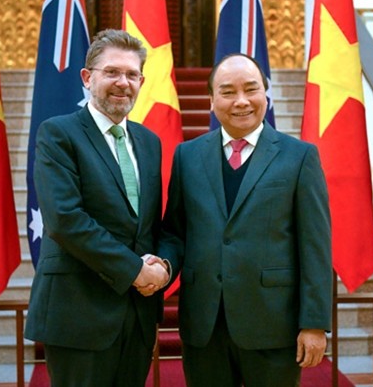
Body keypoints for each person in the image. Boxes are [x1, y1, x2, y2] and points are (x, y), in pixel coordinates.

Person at [152, 53, 332, 386]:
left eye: (251, 89)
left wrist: (314, 323)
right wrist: (162, 265)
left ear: (266, 94)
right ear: (211, 100)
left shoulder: (299, 156)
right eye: (228, 92)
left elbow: (315, 245)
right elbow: (175, 232)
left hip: (273, 324)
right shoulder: (187, 156)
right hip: (204, 326)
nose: (241, 101)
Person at [24, 29, 169, 387]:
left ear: (142, 81)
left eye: (132, 75)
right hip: (78, 314)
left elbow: (150, 225)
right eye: (112, 72)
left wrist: (163, 267)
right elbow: (65, 220)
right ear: (88, 78)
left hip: (136, 316)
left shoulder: (149, 142)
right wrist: (135, 269)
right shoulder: (58, 134)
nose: (123, 83)